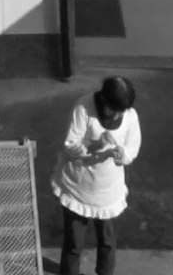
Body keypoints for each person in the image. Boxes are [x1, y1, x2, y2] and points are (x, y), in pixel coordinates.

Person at [51, 74, 140, 274]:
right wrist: (94, 145)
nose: (116, 116)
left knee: (107, 242)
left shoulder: (130, 117)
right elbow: (70, 145)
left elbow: (132, 148)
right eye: (113, 110)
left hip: (107, 192)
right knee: (74, 242)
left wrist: (122, 154)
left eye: (120, 112)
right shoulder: (82, 108)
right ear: (103, 99)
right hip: (79, 187)